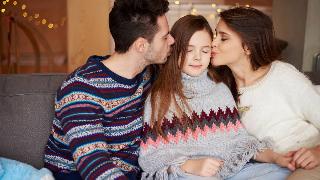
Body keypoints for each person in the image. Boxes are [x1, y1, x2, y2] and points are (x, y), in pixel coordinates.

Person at [139, 14, 292, 180]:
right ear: (176, 51)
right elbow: (151, 158)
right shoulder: (160, 97)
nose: (198, 57)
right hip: (186, 174)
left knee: (278, 172)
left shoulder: (220, 91)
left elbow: (239, 143)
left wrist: (276, 157)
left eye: (205, 50)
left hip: (229, 171)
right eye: (189, 50)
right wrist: (191, 165)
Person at [43, 0, 174, 179]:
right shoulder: (80, 90)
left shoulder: (147, 75)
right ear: (141, 46)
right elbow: (93, 165)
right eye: (165, 37)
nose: (172, 40)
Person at [211, 6, 320, 180]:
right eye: (215, 35)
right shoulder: (220, 87)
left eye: (223, 38)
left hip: (309, 162)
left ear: (247, 47)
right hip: (270, 167)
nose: (213, 43)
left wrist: (317, 152)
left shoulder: (282, 75)